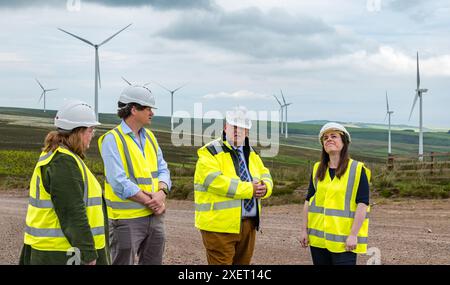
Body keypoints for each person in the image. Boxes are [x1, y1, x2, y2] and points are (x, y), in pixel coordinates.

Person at [20, 100, 109, 265]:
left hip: (60, 250)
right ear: (79, 132)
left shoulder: (60, 156)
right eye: (91, 130)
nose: (92, 136)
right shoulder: (63, 163)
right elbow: (72, 212)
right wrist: (88, 253)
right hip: (61, 254)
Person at [98, 85, 171, 265]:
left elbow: (163, 169)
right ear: (133, 109)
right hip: (127, 220)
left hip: (154, 216)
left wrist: (162, 194)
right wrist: (151, 202)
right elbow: (118, 181)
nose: (152, 113)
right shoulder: (112, 139)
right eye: (148, 108)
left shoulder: (151, 138)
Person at [194, 106, 273, 265]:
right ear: (225, 128)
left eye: (242, 127)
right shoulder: (210, 152)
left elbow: (265, 174)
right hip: (219, 227)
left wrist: (266, 187)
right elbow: (215, 181)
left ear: (247, 131)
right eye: (234, 126)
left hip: (248, 225)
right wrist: (250, 189)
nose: (238, 130)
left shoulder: (251, 153)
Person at [300, 122, 371, 265]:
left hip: (344, 241)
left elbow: (362, 205)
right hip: (318, 241)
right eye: (325, 138)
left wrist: (353, 235)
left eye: (334, 136)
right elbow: (308, 201)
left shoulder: (357, 169)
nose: (329, 139)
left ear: (344, 142)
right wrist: (303, 230)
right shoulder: (317, 169)